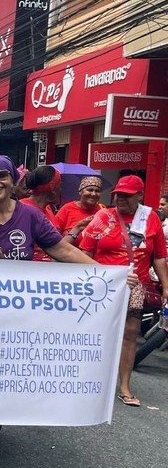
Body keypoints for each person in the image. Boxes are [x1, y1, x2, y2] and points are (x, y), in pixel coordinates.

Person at [0, 154, 97, 467]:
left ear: (12, 180)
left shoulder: (30, 216)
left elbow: (62, 250)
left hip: (20, 316)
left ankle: (1, 417)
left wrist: (104, 274)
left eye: (1, 176)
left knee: (8, 373)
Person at [79, 175, 168, 408]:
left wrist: (166, 286)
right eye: (118, 194)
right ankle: (88, 380)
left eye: (127, 195)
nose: (120, 199)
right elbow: (85, 252)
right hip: (101, 285)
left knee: (130, 333)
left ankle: (125, 386)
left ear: (140, 195)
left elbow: (158, 256)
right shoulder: (103, 217)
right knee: (96, 332)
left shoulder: (150, 219)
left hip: (134, 284)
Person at [20, 165, 62, 261]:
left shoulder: (47, 208)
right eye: (59, 185)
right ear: (52, 189)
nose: (61, 189)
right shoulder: (23, 209)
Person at [55, 176, 105, 246]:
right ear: (80, 192)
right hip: (67, 254)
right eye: (90, 190)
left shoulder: (102, 211)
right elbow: (54, 237)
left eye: (97, 191)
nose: (94, 194)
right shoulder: (67, 208)